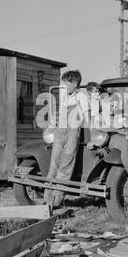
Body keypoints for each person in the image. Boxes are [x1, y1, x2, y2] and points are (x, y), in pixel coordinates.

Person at [43, 70, 90, 209]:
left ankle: (56, 200)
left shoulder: (81, 96)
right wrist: (53, 126)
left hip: (72, 132)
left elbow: (86, 117)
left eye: (66, 82)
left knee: (65, 165)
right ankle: (46, 199)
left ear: (75, 83)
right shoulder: (65, 96)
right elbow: (60, 114)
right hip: (60, 131)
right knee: (54, 163)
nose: (64, 85)